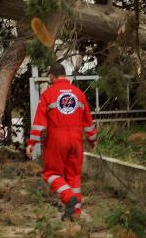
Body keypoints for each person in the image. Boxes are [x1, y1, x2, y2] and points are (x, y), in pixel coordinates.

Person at [26, 64, 97, 221]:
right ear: (65, 75)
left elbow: (39, 123)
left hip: (56, 140)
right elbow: (88, 121)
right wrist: (92, 139)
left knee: (51, 173)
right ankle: (75, 212)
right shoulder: (79, 94)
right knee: (74, 176)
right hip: (76, 140)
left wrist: (31, 142)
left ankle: (68, 197)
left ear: (51, 76)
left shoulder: (48, 94)